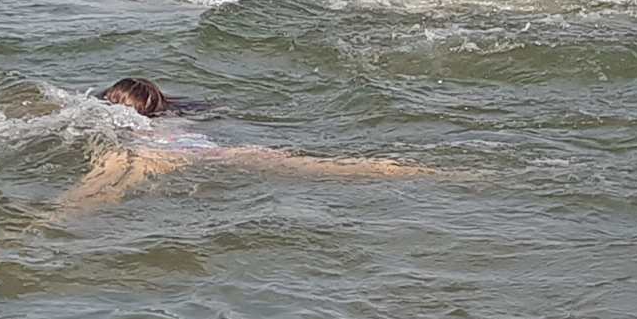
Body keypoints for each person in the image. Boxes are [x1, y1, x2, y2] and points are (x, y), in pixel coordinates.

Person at [55, 78, 435, 217]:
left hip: (150, 154)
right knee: (318, 167)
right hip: (205, 151)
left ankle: (52, 224)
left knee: (102, 186)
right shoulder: (180, 117)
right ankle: (416, 171)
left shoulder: (124, 125)